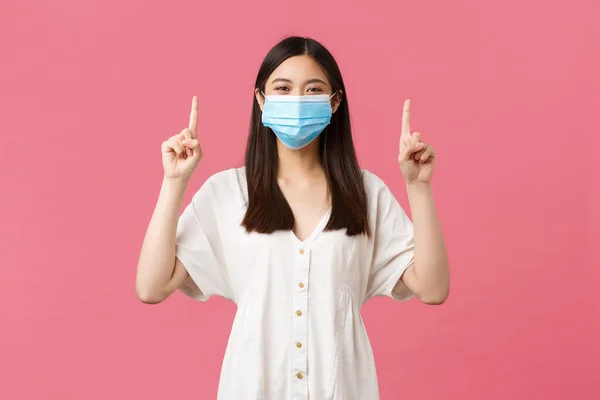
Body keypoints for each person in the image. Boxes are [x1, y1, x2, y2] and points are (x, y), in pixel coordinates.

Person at [136, 36, 450, 400]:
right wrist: (175, 182)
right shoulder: (227, 193)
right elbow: (151, 287)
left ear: (334, 102)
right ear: (261, 99)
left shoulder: (365, 193)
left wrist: (419, 188)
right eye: (282, 88)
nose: (297, 100)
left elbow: (433, 288)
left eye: (313, 89)